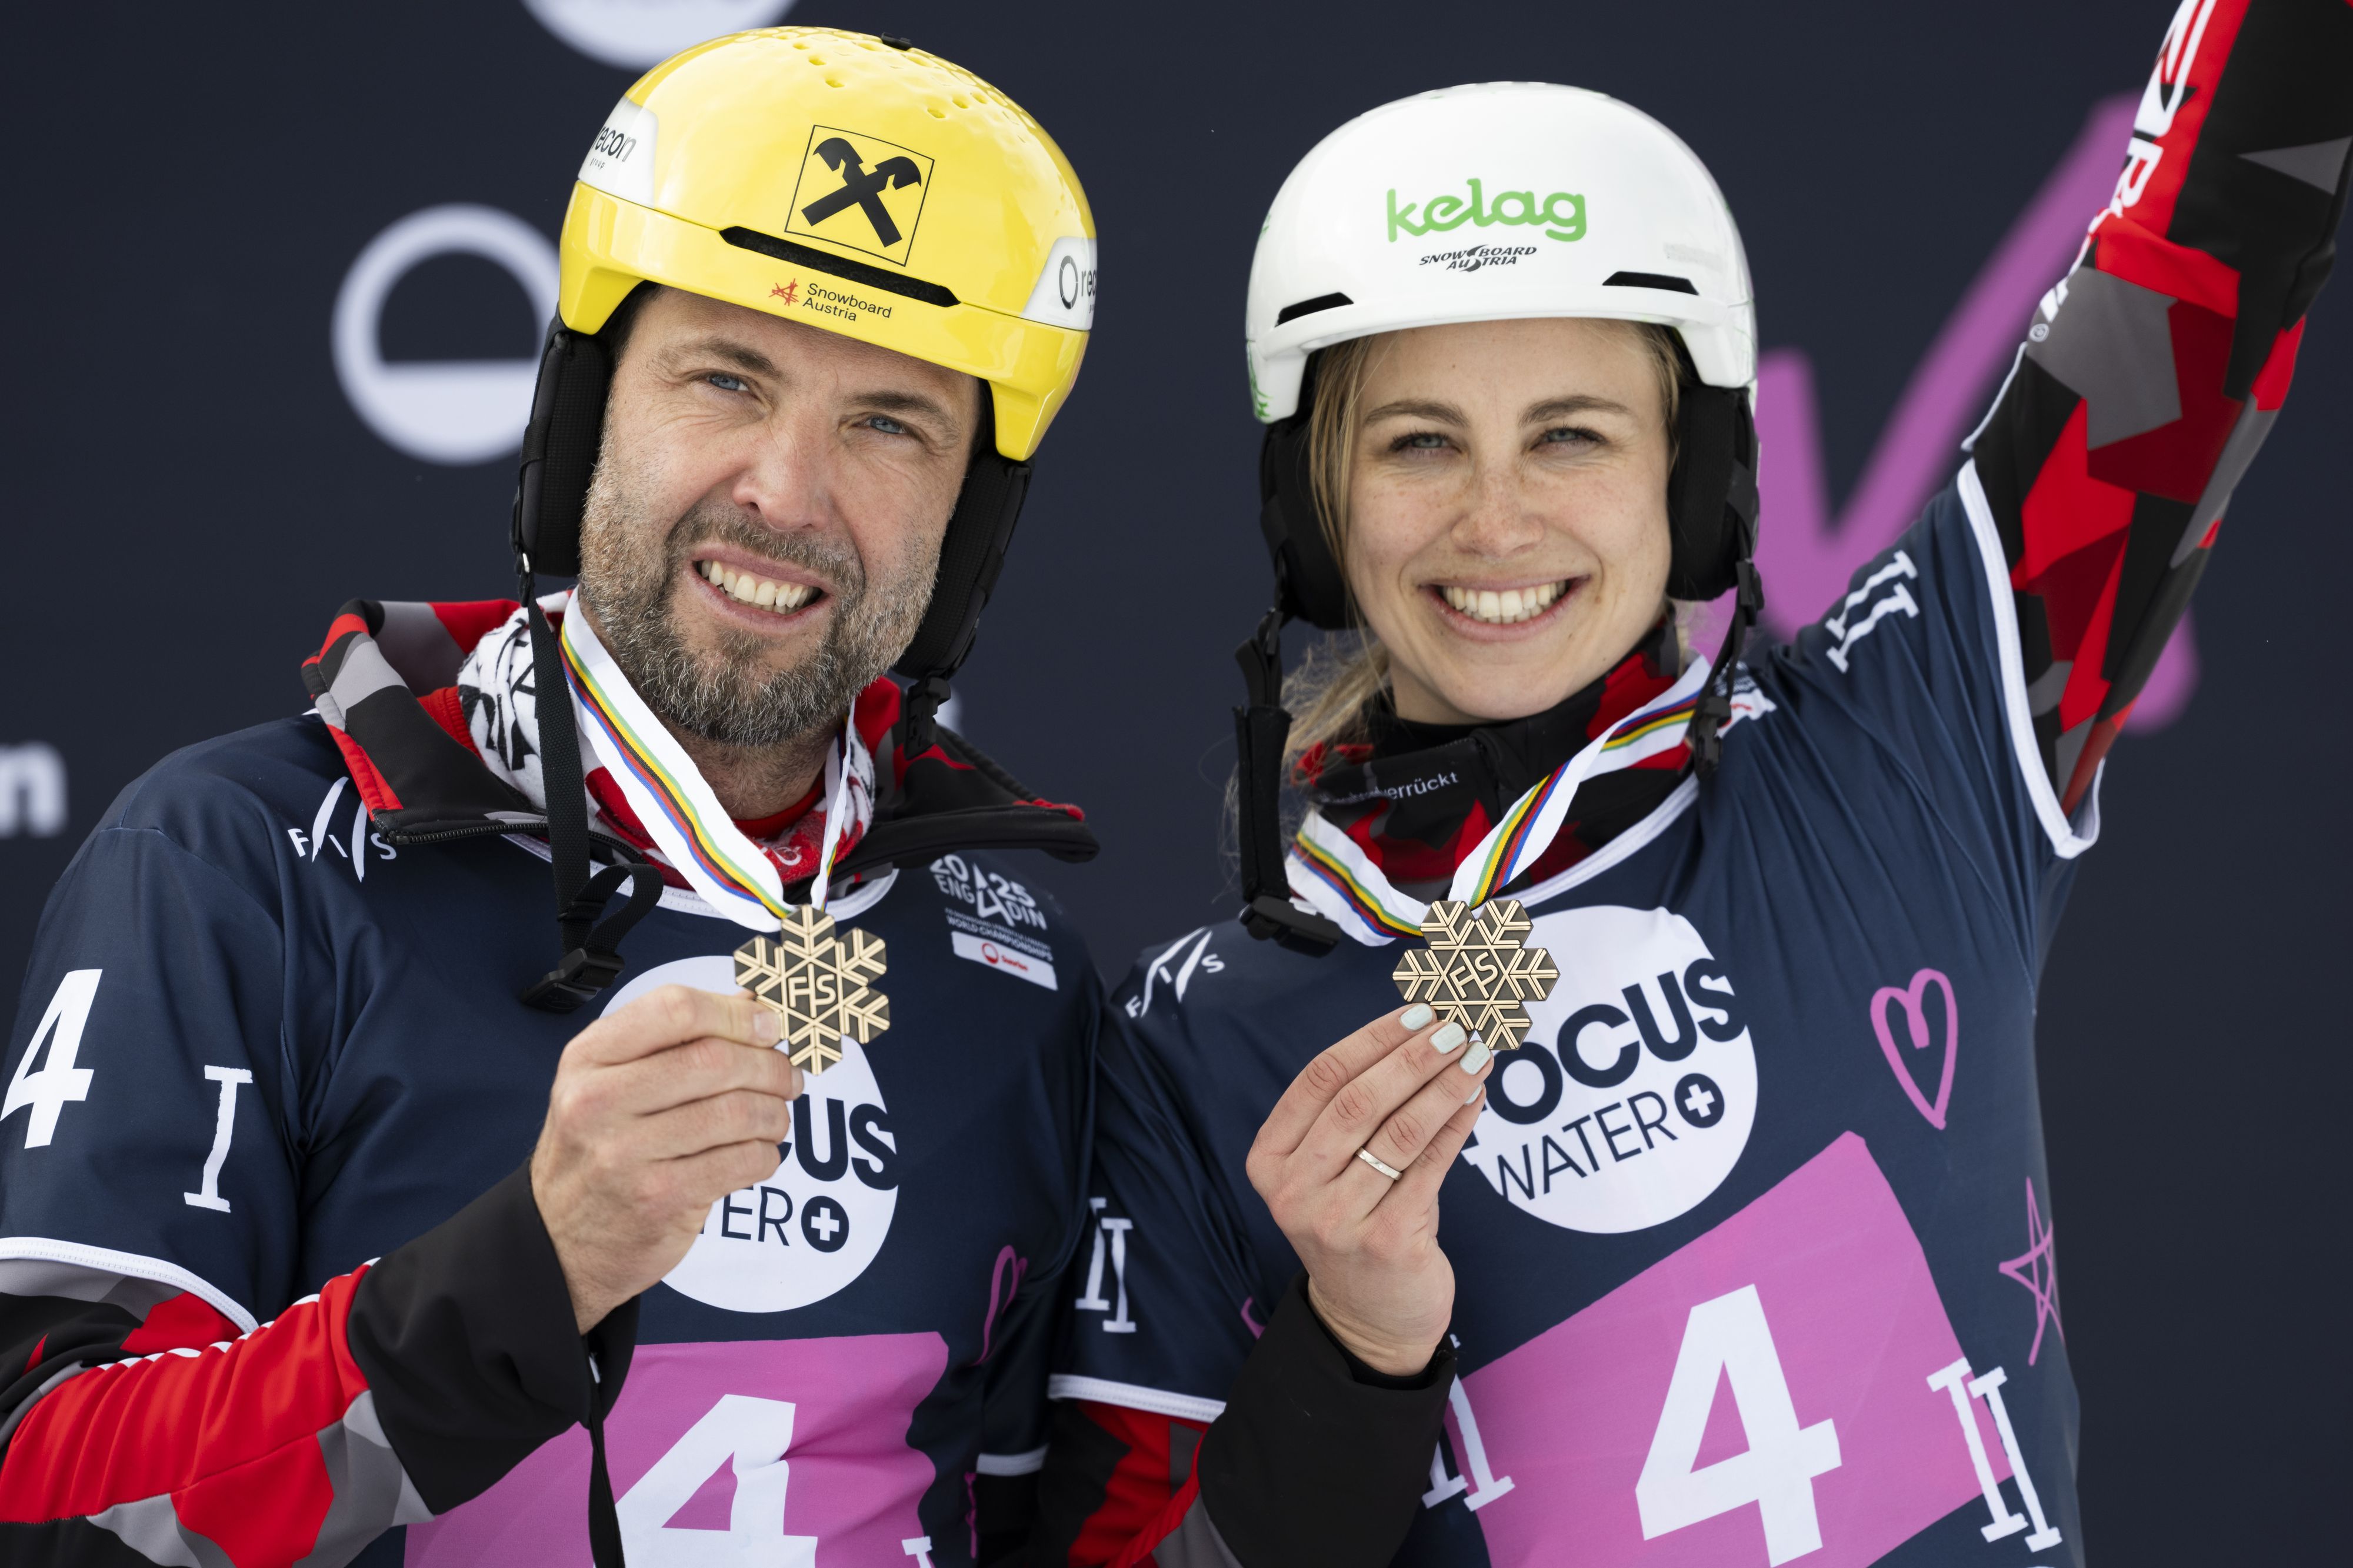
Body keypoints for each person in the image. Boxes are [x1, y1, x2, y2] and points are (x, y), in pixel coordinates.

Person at [1038, 2, 2353, 1564]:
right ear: (1312, 513)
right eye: (1417, 444)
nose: (1497, 520)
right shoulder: (1194, 1052)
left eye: (1573, 434)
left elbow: (2213, 249)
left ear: (1699, 477)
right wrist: (1350, 1351)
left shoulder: (1918, 737)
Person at [0, 28, 1104, 1567]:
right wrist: (527, 1270)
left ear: (973, 519)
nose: (786, 493)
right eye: (727, 377)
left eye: (887, 423)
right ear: (578, 415)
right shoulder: (239, 860)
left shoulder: (1022, 971)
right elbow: (41, 1505)